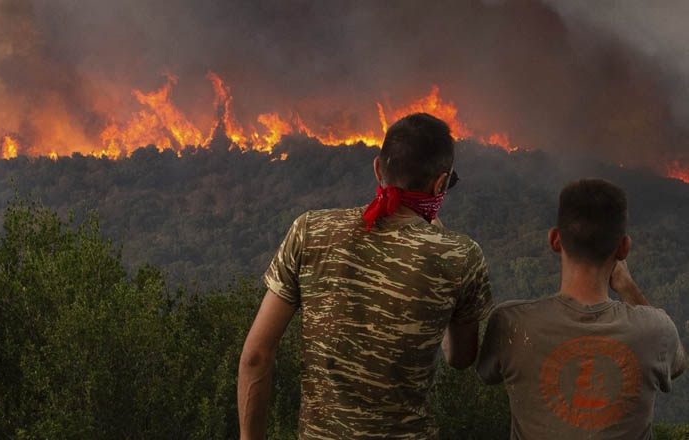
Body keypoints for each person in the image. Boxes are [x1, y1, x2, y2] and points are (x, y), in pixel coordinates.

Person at [237, 113, 493, 439]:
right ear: (440, 184)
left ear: (377, 169)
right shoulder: (460, 255)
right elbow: (459, 358)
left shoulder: (310, 231)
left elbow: (256, 356)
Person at [477, 179, 687, 439]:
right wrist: (627, 286)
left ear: (554, 240)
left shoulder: (511, 323)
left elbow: (486, 374)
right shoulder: (656, 329)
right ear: (624, 248)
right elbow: (677, 364)